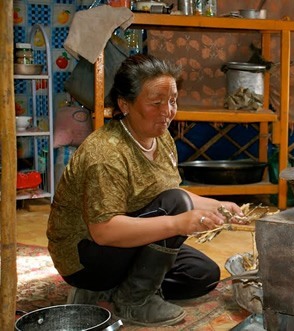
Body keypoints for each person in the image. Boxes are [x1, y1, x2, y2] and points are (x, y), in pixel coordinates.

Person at [47, 54, 243, 327]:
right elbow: (104, 231)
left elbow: (169, 192)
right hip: (86, 256)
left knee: (203, 274)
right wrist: (177, 223)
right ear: (124, 104)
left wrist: (218, 206)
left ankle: (111, 292)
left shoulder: (160, 137)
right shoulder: (106, 153)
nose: (168, 111)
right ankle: (133, 301)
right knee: (175, 208)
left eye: (173, 100)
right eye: (156, 103)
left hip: (127, 243)